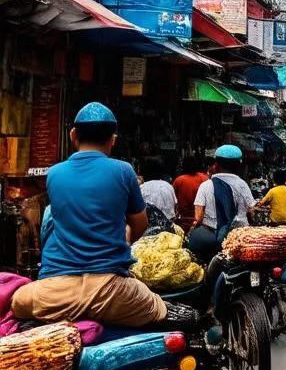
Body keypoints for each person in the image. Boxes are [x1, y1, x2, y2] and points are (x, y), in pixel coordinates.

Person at [12, 103, 170, 327]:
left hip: (57, 293)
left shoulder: (54, 174)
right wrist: (124, 239)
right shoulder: (124, 170)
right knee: (158, 307)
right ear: (112, 140)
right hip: (111, 291)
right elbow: (140, 224)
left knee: (18, 301)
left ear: (73, 135)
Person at [188, 144, 257, 262]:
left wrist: (191, 231)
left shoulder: (206, 185)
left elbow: (198, 218)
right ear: (238, 165)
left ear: (216, 164)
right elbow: (252, 212)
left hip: (211, 237)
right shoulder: (243, 185)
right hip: (238, 237)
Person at [173, 155, 209, 229]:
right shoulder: (205, 178)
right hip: (202, 219)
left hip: (184, 221)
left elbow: (174, 201)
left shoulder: (179, 180)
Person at [139, 156, 177, 223]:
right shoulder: (168, 187)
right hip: (168, 226)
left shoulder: (142, 188)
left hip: (148, 227)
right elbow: (174, 208)